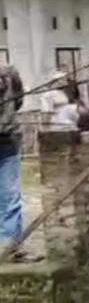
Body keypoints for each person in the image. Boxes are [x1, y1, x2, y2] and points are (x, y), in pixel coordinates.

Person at [0, 65, 26, 259]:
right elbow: (18, 101)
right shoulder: (10, 73)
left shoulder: (10, 74)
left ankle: (12, 246)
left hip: (8, 140)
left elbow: (18, 101)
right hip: (8, 137)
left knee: (10, 195)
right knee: (10, 195)